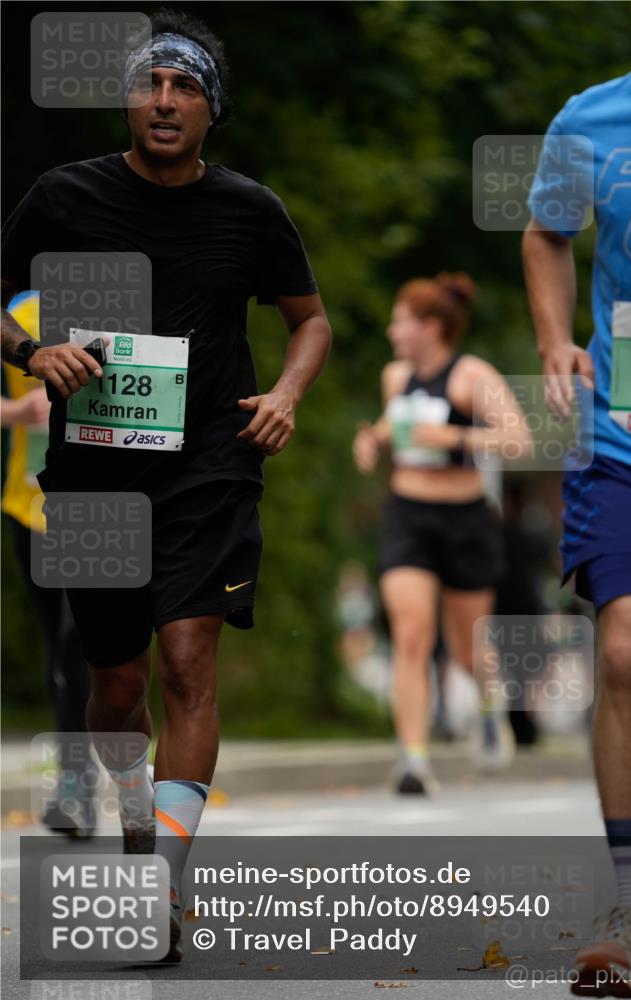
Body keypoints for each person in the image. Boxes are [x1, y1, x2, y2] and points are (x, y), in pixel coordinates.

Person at [1, 9, 332, 962]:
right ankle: (139, 833)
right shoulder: (63, 197)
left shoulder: (249, 211)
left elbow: (309, 322)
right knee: (115, 687)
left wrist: (286, 393)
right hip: (92, 469)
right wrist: (33, 349)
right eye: (149, 84)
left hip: (210, 467)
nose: (163, 100)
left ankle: (158, 884)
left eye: (184, 86)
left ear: (210, 109)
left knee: (187, 661)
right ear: (126, 102)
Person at [522, 1, 631, 990]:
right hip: (626, 432)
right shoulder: (588, 119)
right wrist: (549, 336)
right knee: (623, 650)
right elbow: (544, 234)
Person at [353, 272, 530, 794]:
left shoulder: (470, 376)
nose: (392, 332)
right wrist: (372, 441)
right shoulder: (394, 376)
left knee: (466, 649)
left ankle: (490, 710)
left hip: (465, 519)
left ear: (430, 327)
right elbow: (393, 425)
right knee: (410, 636)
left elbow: (520, 440)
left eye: (400, 322)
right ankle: (413, 758)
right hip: (408, 515)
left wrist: (453, 433)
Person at [1, 289, 97, 838]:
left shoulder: (123, 309)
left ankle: (78, 786)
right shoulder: (18, 312)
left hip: (98, 511)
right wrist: (16, 410)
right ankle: (77, 777)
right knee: (60, 652)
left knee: (77, 641)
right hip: (29, 508)